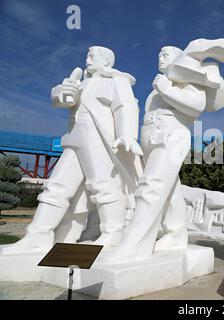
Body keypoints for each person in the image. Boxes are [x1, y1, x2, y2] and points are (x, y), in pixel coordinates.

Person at [102, 39, 224, 263]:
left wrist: (167, 89)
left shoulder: (187, 81)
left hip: (172, 135)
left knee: (151, 186)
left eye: (166, 54)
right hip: (151, 136)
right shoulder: (159, 86)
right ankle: (176, 233)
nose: (161, 57)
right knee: (169, 189)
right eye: (159, 53)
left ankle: (135, 244)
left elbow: (196, 107)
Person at [1, 46, 142, 254]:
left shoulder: (115, 80)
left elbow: (127, 106)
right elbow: (62, 100)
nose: (87, 59)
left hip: (98, 139)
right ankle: (38, 235)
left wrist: (128, 134)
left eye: (92, 56)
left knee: (103, 184)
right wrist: (63, 93)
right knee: (56, 186)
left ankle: (113, 233)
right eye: (86, 55)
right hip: (75, 138)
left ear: (106, 61)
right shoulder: (80, 83)